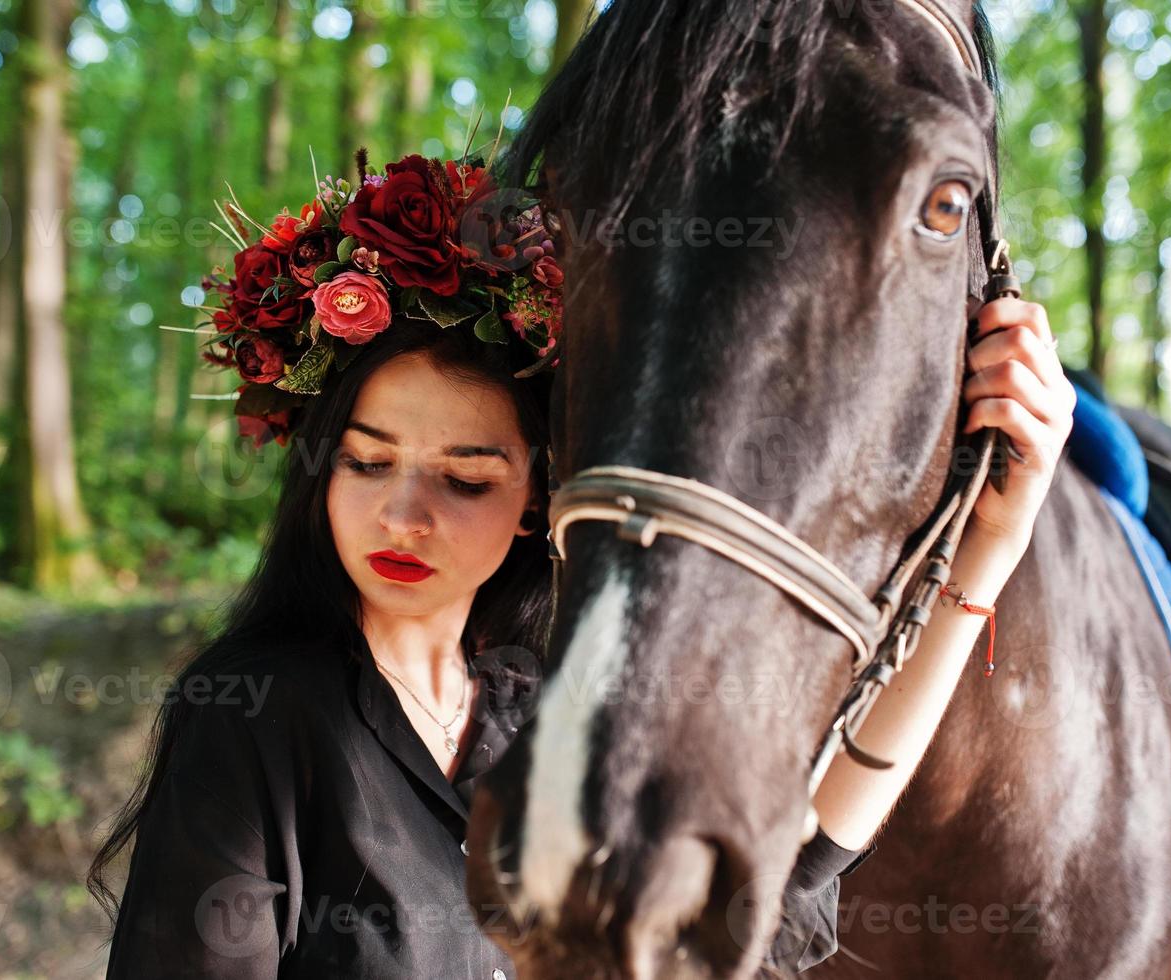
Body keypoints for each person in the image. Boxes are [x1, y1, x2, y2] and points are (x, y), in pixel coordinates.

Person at [88, 154, 1075, 977]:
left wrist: (990, 545)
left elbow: (795, 876)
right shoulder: (257, 713)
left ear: (535, 502)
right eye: (367, 460)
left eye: (466, 479)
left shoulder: (549, 709)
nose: (402, 512)